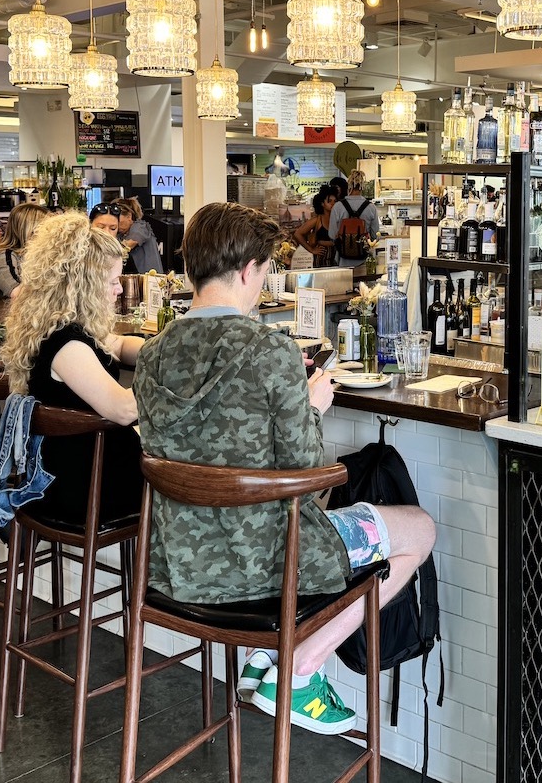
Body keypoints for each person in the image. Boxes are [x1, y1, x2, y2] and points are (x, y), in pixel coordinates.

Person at [134, 202, 435, 736]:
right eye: (266, 269)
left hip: (175, 566)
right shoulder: (268, 349)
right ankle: (298, 666)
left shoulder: (153, 353)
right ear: (250, 269)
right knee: (419, 531)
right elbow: (304, 471)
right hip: (268, 565)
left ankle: (271, 660)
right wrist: (313, 401)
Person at [0, 212, 144, 526]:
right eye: (112, 281)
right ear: (84, 285)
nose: (118, 290)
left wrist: (159, 350)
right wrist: (174, 373)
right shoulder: (68, 345)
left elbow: (115, 343)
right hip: (85, 490)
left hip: (73, 475)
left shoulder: (56, 328)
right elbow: (123, 410)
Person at [0, 202, 48, 299]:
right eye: (46, 229)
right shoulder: (4, 256)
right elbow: (17, 294)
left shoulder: (28, 255)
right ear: (31, 231)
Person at [326, 170, 381, 268]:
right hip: (364, 259)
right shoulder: (371, 207)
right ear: (362, 187)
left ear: (349, 186)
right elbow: (375, 236)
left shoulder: (338, 206)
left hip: (343, 260)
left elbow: (332, 234)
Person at [115, 196, 164, 275]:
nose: (116, 225)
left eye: (119, 221)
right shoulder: (121, 234)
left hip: (151, 280)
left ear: (129, 216)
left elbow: (129, 244)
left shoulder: (139, 227)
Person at [291, 187, 336, 267]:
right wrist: (312, 250)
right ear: (322, 203)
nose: (333, 204)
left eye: (335, 201)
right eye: (329, 201)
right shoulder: (317, 220)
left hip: (336, 258)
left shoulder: (337, 219)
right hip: (321, 258)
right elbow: (298, 234)